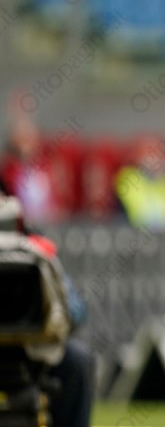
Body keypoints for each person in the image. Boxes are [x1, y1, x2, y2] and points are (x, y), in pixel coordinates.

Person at [0, 177, 94, 427]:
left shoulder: (36, 248)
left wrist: (52, 318)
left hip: (33, 351)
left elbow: (75, 309)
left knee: (77, 360)